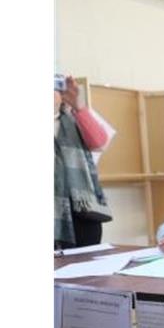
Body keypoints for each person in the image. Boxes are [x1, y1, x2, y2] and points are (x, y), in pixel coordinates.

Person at [54, 75, 113, 249]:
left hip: (82, 210)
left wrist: (78, 105)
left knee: (87, 267)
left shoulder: (75, 117)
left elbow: (99, 142)